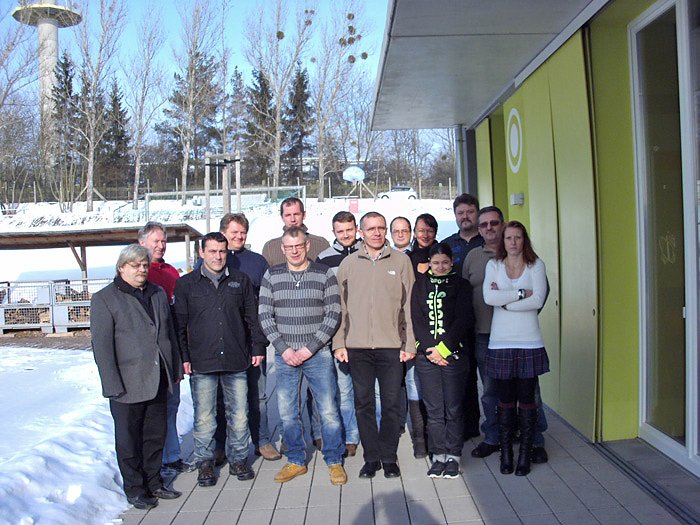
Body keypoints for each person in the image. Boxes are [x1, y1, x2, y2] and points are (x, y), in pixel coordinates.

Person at [91, 244, 183, 510]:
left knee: (155, 436)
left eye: (144, 265)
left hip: (158, 378)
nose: (141, 270)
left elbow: (169, 333)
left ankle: (154, 482)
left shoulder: (157, 293)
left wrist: (174, 368)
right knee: (129, 440)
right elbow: (102, 347)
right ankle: (134, 488)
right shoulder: (105, 299)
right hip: (126, 383)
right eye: (135, 265)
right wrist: (111, 384)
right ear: (122, 268)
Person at [173, 232, 268, 486]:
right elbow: (179, 325)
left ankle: (238, 459)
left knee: (239, 414)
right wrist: (184, 356)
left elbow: (252, 317)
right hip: (202, 361)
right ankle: (205, 462)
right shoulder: (186, 284)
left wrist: (257, 347)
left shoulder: (240, 280)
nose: (218, 256)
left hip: (236, 359)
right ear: (201, 253)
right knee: (204, 417)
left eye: (222, 251)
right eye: (212, 251)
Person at [258, 227, 347, 485]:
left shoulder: (324, 274)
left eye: (299, 246)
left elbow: (333, 313)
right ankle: (296, 460)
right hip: (285, 355)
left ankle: (334, 459)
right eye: (289, 247)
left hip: (317, 354)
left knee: (327, 409)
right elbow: (265, 315)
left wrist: (310, 347)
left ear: (307, 246)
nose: (294, 251)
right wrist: (284, 349)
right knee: (288, 412)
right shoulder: (272, 275)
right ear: (283, 249)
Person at [333, 212, 416, 479]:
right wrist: (339, 342)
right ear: (361, 232)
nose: (377, 233)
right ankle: (371, 458)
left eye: (381, 228)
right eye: (371, 229)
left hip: (391, 346)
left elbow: (410, 305)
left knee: (391, 404)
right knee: (364, 404)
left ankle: (389, 457)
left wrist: (409, 343)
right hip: (357, 347)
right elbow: (340, 307)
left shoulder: (401, 261)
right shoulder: (348, 264)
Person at [204, 213, 280, 463]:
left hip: (252, 339)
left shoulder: (257, 262)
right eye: (234, 232)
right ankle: (220, 445)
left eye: (242, 232)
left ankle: (262, 440)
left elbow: (268, 299)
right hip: (221, 340)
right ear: (223, 233)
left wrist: (262, 337)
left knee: (258, 395)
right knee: (220, 397)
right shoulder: (213, 260)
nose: (239, 237)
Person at [483, 220, 549, 477]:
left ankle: (525, 455)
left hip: (529, 341)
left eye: (518, 237)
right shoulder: (494, 265)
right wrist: (521, 294)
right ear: (503, 241)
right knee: (505, 400)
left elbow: (539, 299)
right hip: (501, 342)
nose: (513, 242)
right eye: (508, 237)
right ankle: (507, 454)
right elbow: (489, 297)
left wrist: (506, 302)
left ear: (524, 240)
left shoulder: (536, 265)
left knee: (528, 400)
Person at [411, 243, 473, 479]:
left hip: (454, 356)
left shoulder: (461, 285)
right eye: (435, 263)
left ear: (451, 262)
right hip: (427, 357)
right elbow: (417, 318)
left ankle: (454, 455)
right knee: (434, 410)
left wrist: (444, 350)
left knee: (453, 408)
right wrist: (430, 351)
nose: (440, 267)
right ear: (429, 263)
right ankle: (438, 455)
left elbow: (463, 319)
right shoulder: (420, 284)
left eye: (445, 262)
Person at [137, 221, 193, 475]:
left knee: (172, 405)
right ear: (142, 242)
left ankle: (171, 456)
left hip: (171, 349)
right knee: (152, 411)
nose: (161, 246)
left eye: (163, 241)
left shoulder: (171, 272)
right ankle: (152, 461)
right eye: (155, 241)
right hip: (146, 354)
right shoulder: (137, 272)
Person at [314, 211, 361, 457]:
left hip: (362, 331)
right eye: (340, 231)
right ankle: (342, 435)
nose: (345, 235)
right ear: (333, 232)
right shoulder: (324, 258)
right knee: (337, 388)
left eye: (349, 230)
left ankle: (357, 434)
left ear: (356, 228)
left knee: (359, 388)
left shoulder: (367, 252)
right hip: (334, 332)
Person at [443, 193, 482, 439]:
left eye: (469, 211)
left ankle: (503, 428)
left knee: (492, 379)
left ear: (477, 213)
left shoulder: (488, 241)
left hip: (487, 321)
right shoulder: (448, 245)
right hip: (458, 323)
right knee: (465, 378)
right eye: (460, 213)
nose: (465, 216)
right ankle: (470, 427)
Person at [405, 213, 439, 458]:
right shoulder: (407, 258)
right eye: (420, 230)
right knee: (414, 383)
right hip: (414, 328)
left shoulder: (442, 254)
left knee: (437, 386)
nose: (425, 234)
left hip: (439, 330)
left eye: (429, 230)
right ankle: (420, 438)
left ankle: (437, 435)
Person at [262, 197, 330, 266]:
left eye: (296, 214)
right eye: (288, 215)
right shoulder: (270, 248)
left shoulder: (321, 244)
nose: (292, 219)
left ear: (304, 215)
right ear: (282, 217)